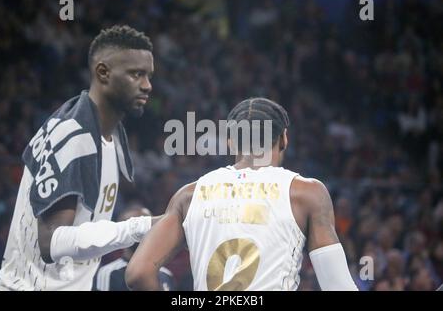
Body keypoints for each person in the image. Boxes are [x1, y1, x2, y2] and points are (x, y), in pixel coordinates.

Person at [125, 98, 359, 291]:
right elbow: (337, 284)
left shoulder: (189, 194)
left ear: (230, 142)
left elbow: (138, 272)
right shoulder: (305, 193)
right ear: (284, 139)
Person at [0, 25, 159, 291]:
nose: (147, 85)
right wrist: (143, 226)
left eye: (149, 76)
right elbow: (52, 242)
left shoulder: (109, 137)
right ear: (103, 73)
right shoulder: (72, 135)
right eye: (136, 74)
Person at [93, 205, 174, 291]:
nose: (140, 231)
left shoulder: (166, 275)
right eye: (135, 226)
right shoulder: (108, 273)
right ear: (122, 232)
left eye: (144, 225)